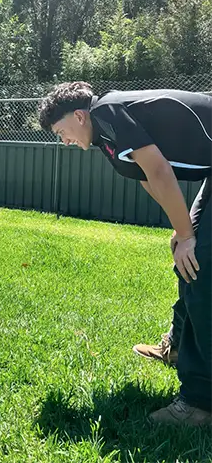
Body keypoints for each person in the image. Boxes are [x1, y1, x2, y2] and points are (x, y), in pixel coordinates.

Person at [39, 81, 212, 426]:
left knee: (202, 269)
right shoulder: (106, 139)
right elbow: (149, 178)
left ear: (79, 115)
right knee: (188, 260)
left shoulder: (107, 111)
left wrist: (186, 234)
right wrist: (181, 233)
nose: (65, 141)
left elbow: (161, 170)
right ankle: (178, 346)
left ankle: (201, 403)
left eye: (62, 131)